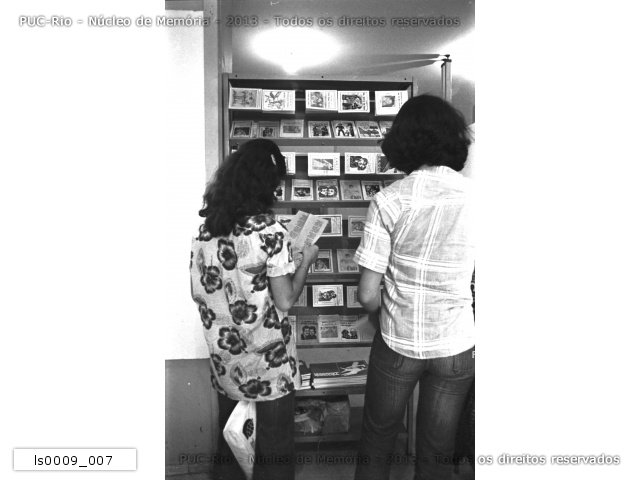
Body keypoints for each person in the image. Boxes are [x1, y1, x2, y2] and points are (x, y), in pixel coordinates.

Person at [353, 94, 475, 480]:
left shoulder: (389, 200)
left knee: (377, 440)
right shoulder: (479, 198)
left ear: (403, 141)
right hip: (455, 342)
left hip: (398, 340)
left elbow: (367, 295)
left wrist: (381, 309)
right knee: (438, 450)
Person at [190, 138, 319, 480]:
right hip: (268, 360)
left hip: (225, 357)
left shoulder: (206, 230)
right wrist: (305, 262)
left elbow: (202, 290)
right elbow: (285, 300)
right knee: (274, 446)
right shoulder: (270, 231)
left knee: (233, 437)